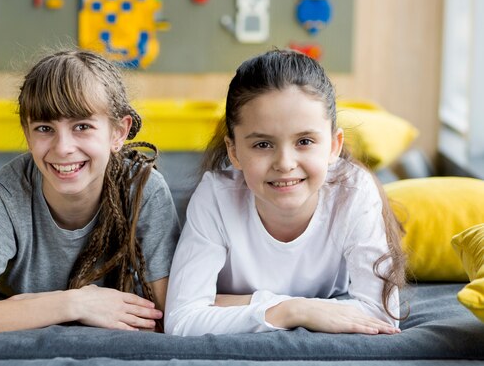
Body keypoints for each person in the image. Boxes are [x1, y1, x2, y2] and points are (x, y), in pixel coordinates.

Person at [164, 49, 407, 336]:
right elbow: (181, 321)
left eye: (304, 141)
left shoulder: (353, 192)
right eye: (263, 145)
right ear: (234, 151)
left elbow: (382, 317)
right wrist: (294, 310)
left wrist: (244, 304)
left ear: (333, 146)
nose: (285, 164)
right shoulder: (216, 196)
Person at [0, 49, 180, 335]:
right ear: (27, 134)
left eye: (82, 126)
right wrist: (73, 304)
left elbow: (172, 314)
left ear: (118, 133)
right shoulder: (6, 194)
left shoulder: (144, 190)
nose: (63, 147)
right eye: (44, 128)